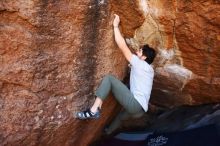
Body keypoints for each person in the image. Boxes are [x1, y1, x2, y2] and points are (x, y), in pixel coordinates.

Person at [76, 14, 156, 134]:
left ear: (144, 57)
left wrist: (115, 26)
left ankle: (94, 110)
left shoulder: (141, 64)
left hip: (135, 105)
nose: (136, 52)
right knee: (120, 117)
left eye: (139, 51)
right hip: (139, 111)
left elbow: (123, 47)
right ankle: (107, 133)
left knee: (109, 79)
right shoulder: (149, 70)